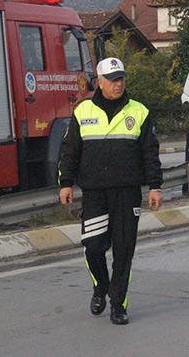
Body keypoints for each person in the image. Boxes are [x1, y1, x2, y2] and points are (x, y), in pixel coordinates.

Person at [58, 57, 163, 325]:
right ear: (100, 82)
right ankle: (100, 287)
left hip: (127, 194)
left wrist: (155, 186)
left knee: (123, 251)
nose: (119, 84)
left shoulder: (139, 111)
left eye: (121, 78)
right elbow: (70, 151)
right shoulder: (83, 111)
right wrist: (66, 183)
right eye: (113, 79)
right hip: (94, 194)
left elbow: (150, 153)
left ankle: (118, 305)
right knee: (93, 247)